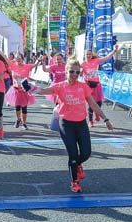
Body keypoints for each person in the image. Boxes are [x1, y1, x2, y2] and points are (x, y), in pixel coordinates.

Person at [38, 58, 113, 193]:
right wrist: (28, 87)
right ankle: (74, 181)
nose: (74, 74)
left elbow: (92, 103)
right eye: (71, 71)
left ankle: (78, 164)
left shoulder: (83, 86)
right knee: (73, 154)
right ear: (66, 71)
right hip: (66, 124)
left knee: (86, 152)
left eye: (77, 72)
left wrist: (105, 119)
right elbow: (43, 91)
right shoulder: (60, 86)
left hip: (81, 124)